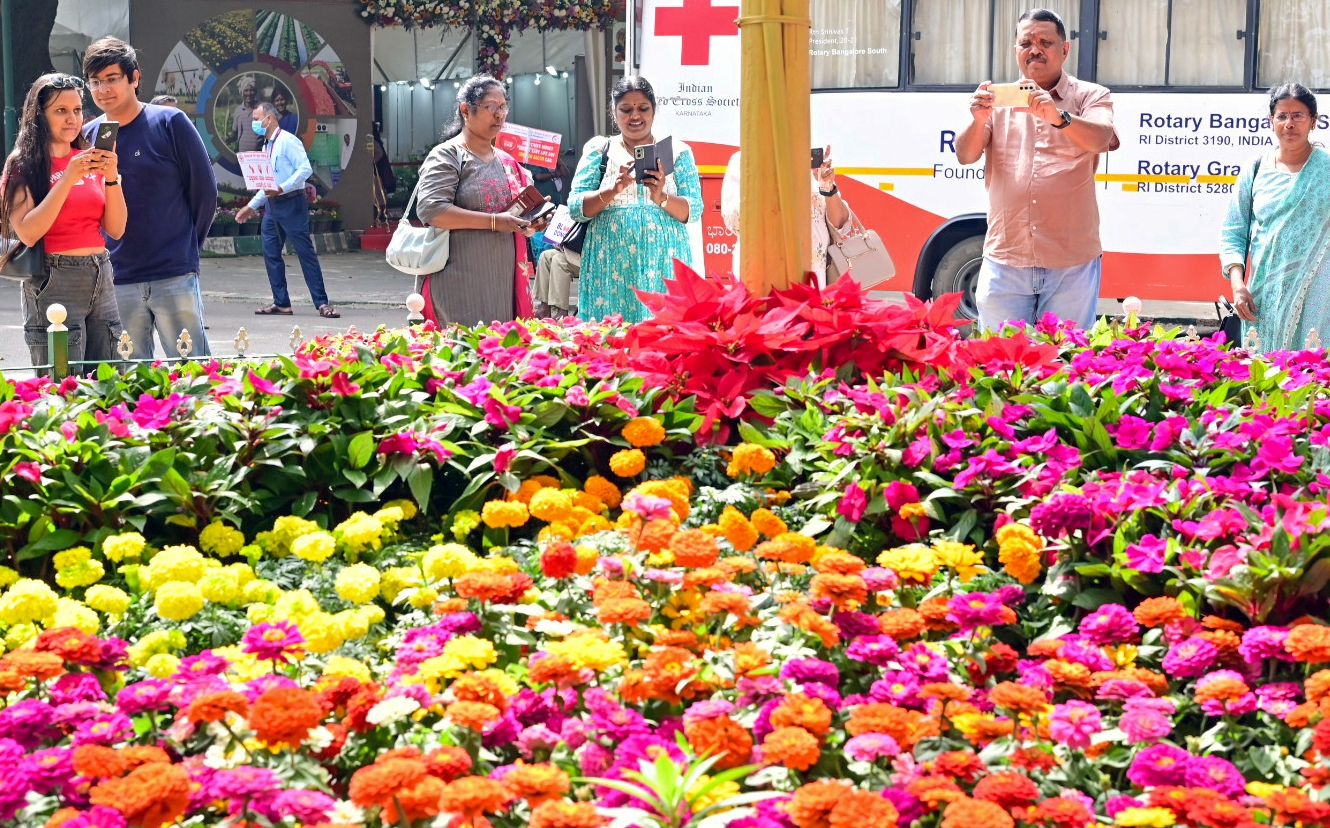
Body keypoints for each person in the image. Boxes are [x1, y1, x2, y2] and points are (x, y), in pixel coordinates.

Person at [954, 8, 1118, 332]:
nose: (1035, 49)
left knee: (1066, 364)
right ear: (1016, 50)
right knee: (1001, 367)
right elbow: (965, 154)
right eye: (1026, 42)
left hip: (1071, 264)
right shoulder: (998, 101)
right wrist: (978, 120)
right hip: (1006, 260)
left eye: (1046, 41)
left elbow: (1102, 138)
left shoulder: (1090, 96)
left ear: (1065, 50)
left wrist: (1058, 117)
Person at [83, 37, 217, 360]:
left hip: (174, 273)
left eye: (112, 79)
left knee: (191, 374)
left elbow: (205, 193)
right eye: (95, 82)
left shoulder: (170, 123)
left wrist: (184, 248)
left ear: (135, 78)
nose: (104, 90)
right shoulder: (89, 136)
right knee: (132, 382)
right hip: (118, 278)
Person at [0, 73, 125, 369]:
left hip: (101, 272)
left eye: (77, 110)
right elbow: (28, 233)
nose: (72, 119)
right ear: (39, 117)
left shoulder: (87, 157)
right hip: (54, 278)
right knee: (62, 384)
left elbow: (116, 229)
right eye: (60, 111)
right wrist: (68, 178)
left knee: (111, 380)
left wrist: (111, 177)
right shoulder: (24, 165)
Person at [413, 75, 549, 325]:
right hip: (459, 278)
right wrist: (496, 222)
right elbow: (432, 210)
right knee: (462, 354)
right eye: (490, 107)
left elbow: (515, 218)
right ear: (466, 110)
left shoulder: (508, 162)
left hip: (504, 281)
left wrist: (531, 224)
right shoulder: (448, 155)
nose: (499, 114)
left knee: (502, 354)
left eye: (503, 107)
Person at [568, 76, 703, 323]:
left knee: (663, 334)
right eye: (626, 110)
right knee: (611, 336)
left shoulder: (677, 151)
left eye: (643, 108)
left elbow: (694, 210)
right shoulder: (600, 149)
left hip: (664, 258)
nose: (635, 116)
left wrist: (661, 196)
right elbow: (576, 207)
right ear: (613, 111)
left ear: (654, 110)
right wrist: (612, 190)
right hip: (610, 262)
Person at [1222, 83, 1330, 353]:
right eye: (1282, 116)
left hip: (1320, 296)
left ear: (1313, 121)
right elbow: (1233, 231)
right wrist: (1238, 284)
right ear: (1272, 121)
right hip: (1264, 295)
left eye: (1298, 115)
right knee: (1267, 380)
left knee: (1315, 377)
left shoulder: (1326, 170)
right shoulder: (1256, 169)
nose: (1289, 123)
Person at [236, 103, 338, 318]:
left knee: (305, 253)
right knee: (271, 253)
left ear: (270, 118)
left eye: (257, 118)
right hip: (273, 207)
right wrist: (251, 206)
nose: (254, 123)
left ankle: (322, 303)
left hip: (292, 203)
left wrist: (281, 188)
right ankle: (281, 302)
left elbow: (305, 170)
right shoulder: (266, 146)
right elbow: (268, 185)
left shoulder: (288, 141)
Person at [720, 145, 852, 285]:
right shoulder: (745, 161)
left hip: (812, 280)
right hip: (763, 279)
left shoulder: (809, 165)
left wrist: (828, 187)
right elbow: (735, 221)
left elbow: (840, 224)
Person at [532, 247, 579, 319]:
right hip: (574, 250)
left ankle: (562, 311)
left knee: (559, 260)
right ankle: (544, 307)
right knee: (546, 256)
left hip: (589, 253)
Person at [232, 77, 262, 153]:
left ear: (255, 92)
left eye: (252, 90)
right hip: (243, 155)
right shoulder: (238, 111)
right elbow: (234, 134)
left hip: (259, 154)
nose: (249, 93)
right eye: (246, 90)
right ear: (242, 92)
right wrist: (228, 139)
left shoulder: (261, 109)